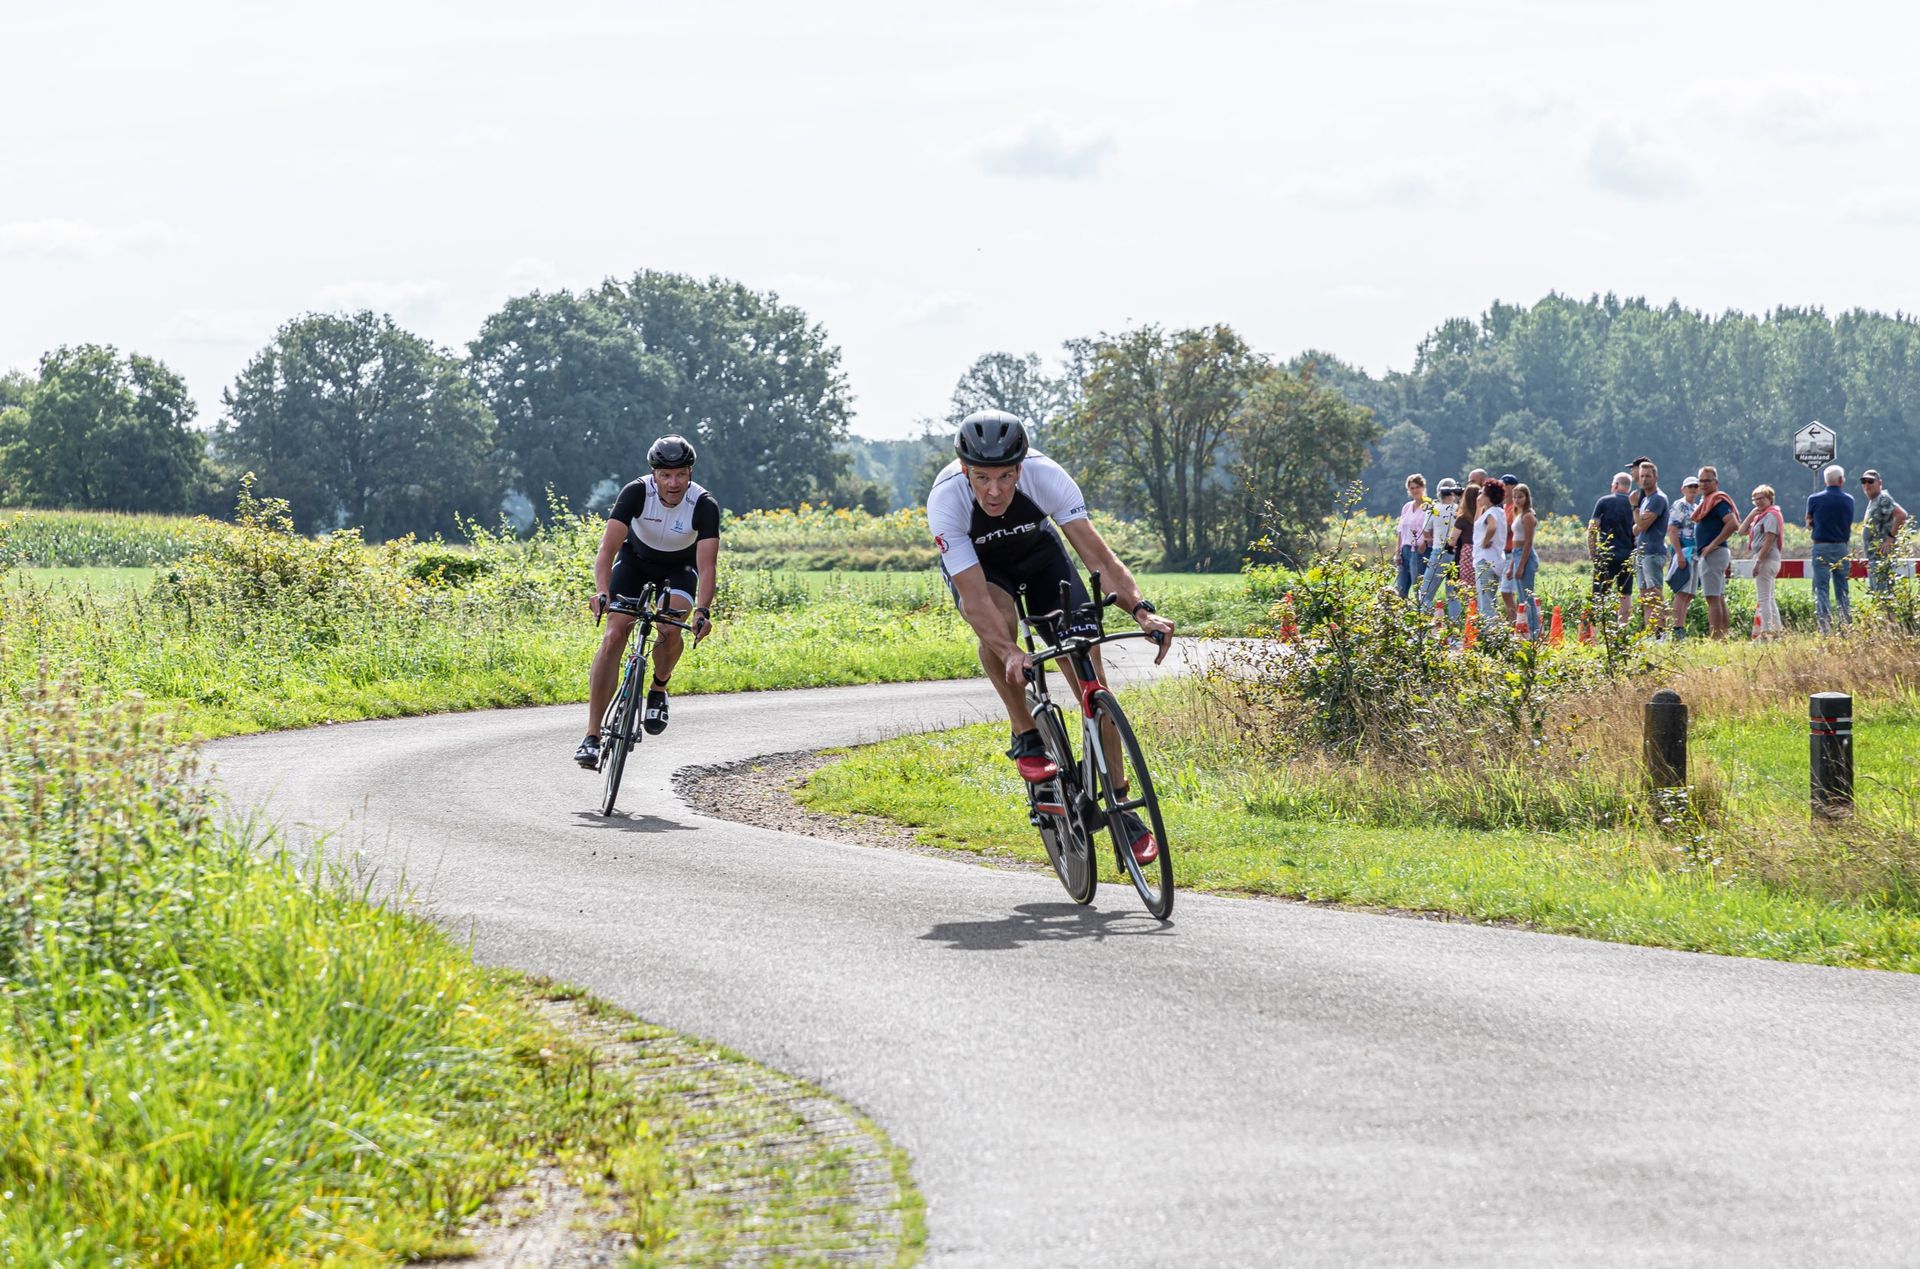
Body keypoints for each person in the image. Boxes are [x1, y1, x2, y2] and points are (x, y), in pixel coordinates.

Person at [927, 409, 1176, 865]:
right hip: (986, 572)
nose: (995, 490)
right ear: (964, 470)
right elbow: (974, 600)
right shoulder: (946, 500)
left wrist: (1143, 611)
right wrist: (1009, 651)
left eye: (1005, 476)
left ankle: (1121, 807)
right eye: (982, 478)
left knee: (1090, 678)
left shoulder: (1047, 477)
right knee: (999, 621)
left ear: (1021, 468)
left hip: (1040, 558)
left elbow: (1099, 558)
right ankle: (1026, 734)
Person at [576, 435, 719, 768]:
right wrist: (602, 591)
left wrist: (702, 610)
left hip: (679, 570)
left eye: (680, 475)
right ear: (654, 474)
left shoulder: (703, 505)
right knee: (614, 635)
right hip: (634, 563)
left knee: (670, 627)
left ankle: (658, 688)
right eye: (665, 475)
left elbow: (707, 566)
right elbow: (607, 550)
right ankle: (592, 736)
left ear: (690, 473)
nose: (673, 483)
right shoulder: (636, 492)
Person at [1690, 466, 1740, 640]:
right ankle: (1723, 635)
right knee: (1718, 597)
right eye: (1701, 481)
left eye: (1707, 480)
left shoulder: (1718, 501)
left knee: (1712, 599)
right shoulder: (1708, 501)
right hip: (1715, 553)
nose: (1703, 484)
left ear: (1716, 482)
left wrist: (1711, 545)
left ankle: (1716, 637)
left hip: (1713, 554)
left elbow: (1732, 524)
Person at [1805, 463, 1855, 633]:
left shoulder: (1814, 499)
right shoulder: (1849, 499)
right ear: (1841, 480)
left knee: (1821, 588)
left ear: (1825, 481)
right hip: (1841, 547)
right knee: (1842, 588)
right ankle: (1845, 627)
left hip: (1821, 546)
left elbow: (1809, 522)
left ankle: (1825, 628)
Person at [1588, 472, 1635, 626]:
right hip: (1627, 554)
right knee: (1625, 594)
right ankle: (1622, 628)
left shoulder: (1603, 501)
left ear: (1615, 485)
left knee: (1600, 594)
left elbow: (1593, 528)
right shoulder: (1634, 505)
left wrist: (1593, 552)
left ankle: (1598, 628)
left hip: (1606, 554)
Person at [1627, 461, 1669, 632]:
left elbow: (1642, 526)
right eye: (1642, 476)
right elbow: (1635, 529)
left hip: (1653, 552)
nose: (1644, 480)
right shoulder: (1646, 500)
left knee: (1654, 593)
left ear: (1656, 477)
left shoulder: (1658, 499)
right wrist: (1639, 518)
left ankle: (1661, 632)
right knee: (1645, 596)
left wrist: (1634, 507)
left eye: (1648, 476)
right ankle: (1650, 633)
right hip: (1642, 552)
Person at [1743, 484, 1785, 640]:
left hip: (1766, 559)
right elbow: (1741, 530)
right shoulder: (1760, 516)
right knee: (1769, 597)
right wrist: (1752, 513)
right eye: (1755, 499)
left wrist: (1759, 561)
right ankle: (1777, 632)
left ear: (1770, 499)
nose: (1758, 502)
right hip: (1766, 559)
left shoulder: (1771, 516)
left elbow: (1769, 540)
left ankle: (1766, 633)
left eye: (1762, 498)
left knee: (1764, 598)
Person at [1860, 469, 1910, 596]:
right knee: (1878, 594)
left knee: (1883, 595)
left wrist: (1890, 539)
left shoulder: (1883, 499)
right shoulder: (1874, 501)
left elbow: (1902, 515)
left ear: (1879, 483)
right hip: (1874, 556)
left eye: (1870, 481)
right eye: (1864, 481)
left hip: (1881, 557)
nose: (1867, 484)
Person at [1418, 478, 1462, 618]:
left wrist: (1431, 538)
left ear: (1439, 492)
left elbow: (1426, 531)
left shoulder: (1433, 509)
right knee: (1453, 595)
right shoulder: (1459, 509)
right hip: (1456, 553)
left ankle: (1428, 622)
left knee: (1425, 594)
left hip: (1439, 551)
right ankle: (1455, 626)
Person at [1667, 474, 1701, 639]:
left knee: (1689, 593)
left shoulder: (1696, 507)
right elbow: (1672, 530)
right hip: (1684, 551)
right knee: (1681, 591)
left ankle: (1681, 626)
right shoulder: (1680, 505)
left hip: (1695, 553)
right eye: (1690, 487)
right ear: (1683, 489)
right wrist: (1679, 554)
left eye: (1695, 486)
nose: (1693, 489)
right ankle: (1676, 628)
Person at [1504, 482, 1540, 635]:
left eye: (1520, 497)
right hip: (1516, 554)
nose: (1517, 500)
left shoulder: (1528, 516)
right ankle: (1526, 629)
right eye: (1514, 497)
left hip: (1526, 556)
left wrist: (1521, 566)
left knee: (1527, 596)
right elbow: (1515, 543)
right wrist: (1511, 566)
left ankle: (1534, 631)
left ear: (1527, 497)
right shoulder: (1518, 514)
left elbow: (1528, 542)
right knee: (1521, 597)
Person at [1474, 479, 1507, 621]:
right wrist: (1479, 507)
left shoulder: (1491, 513)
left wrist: (1485, 541)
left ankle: (1489, 630)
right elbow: (1478, 524)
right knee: (1491, 601)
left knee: (1485, 603)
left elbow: (1492, 526)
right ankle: (1495, 629)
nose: (1479, 496)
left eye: (1482, 493)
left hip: (1485, 560)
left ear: (1489, 496)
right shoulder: (1499, 512)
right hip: (1496, 559)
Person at [1395, 474, 1432, 600]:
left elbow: (1433, 529)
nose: (1415, 490)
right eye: (1412, 488)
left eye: (1417, 487)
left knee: (1418, 590)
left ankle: (1420, 611)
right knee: (1400, 590)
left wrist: (1425, 543)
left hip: (1420, 551)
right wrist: (1397, 552)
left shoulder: (1429, 507)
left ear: (1423, 487)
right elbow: (1400, 531)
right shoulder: (1407, 507)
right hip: (1405, 550)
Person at [1453, 483, 1481, 620]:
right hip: (1481, 551)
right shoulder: (1484, 516)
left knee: (1467, 589)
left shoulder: (1462, 518)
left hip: (1467, 552)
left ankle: (1470, 619)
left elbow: (1452, 540)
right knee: (1480, 588)